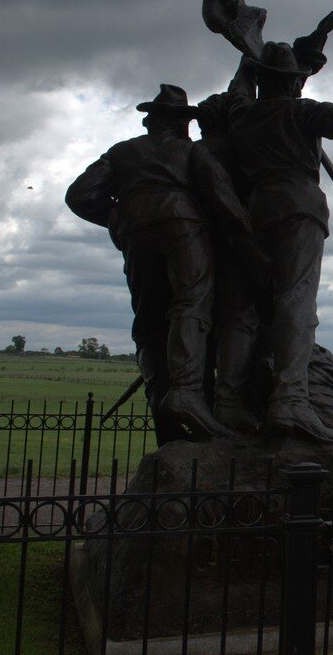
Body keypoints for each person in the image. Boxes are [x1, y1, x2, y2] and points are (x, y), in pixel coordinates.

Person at [66, 84, 265, 443]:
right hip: (183, 226)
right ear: (180, 123)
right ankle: (186, 392)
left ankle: (162, 405)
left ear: (150, 121)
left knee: (149, 321)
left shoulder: (120, 152)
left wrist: (116, 216)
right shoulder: (192, 152)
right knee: (191, 304)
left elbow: (79, 194)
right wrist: (253, 251)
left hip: (135, 231)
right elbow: (224, 201)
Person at [198, 41, 333, 444]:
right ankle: (290, 399)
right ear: (295, 84)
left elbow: (238, 91)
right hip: (298, 207)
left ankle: (228, 401)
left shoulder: (241, 115)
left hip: (252, 212)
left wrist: (247, 64)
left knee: (240, 310)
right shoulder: (301, 112)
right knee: (295, 301)